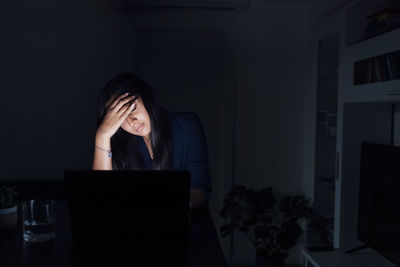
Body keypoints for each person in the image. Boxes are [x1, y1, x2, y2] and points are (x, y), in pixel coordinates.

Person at [92, 73, 211, 209]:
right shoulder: (117, 145)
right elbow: (100, 200)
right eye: (120, 118)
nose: (132, 121)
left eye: (132, 108)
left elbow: (200, 189)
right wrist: (102, 136)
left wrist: (165, 209)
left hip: (184, 223)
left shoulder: (185, 126)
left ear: (145, 96)